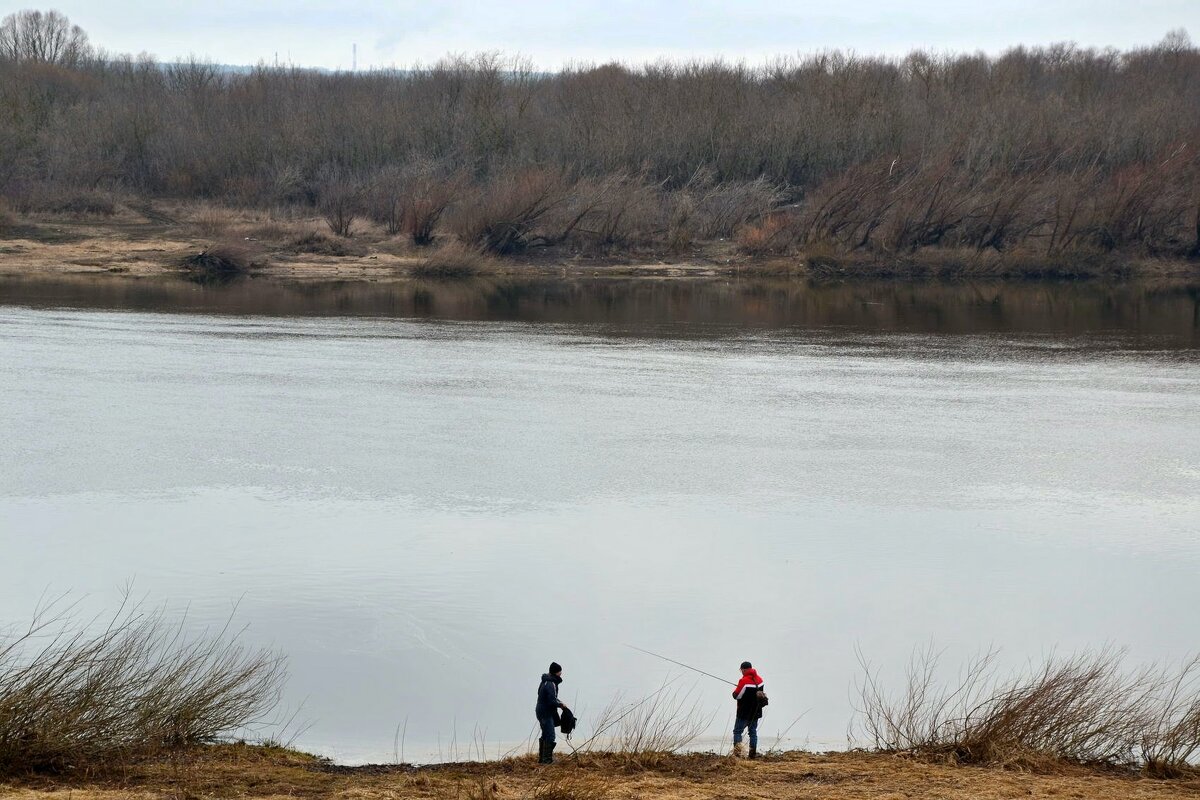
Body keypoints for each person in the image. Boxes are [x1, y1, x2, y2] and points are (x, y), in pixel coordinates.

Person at [535, 661, 569, 764]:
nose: (561, 674)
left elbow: (549, 698)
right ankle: (547, 760)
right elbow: (551, 700)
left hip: (540, 710)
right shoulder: (551, 683)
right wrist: (561, 705)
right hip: (546, 712)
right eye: (560, 672)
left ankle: (542, 759)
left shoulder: (545, 681)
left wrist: (559, 702)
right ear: (556, 672)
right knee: (550, 735)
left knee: (545, 734)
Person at [732, 660, 765, 759]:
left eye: (741, 670)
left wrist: (734, 692)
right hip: (756, 712)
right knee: (753, 732)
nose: (741, 672)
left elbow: (737, 696)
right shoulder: (760, 680)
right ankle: (752, 754)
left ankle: (738, 754)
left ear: (744, 670)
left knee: (737, 732)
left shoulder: (743, 681)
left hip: (744, 712)